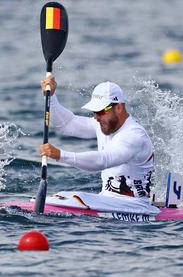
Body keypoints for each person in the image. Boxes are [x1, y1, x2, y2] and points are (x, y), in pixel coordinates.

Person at [38, 76, 159, 215]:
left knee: (75, 198)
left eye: (100, 111)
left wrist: (60, 155)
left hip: (135, 206)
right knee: (63, 196)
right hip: (107, 201)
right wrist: (50, 97)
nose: (96, 117)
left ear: (119, 107)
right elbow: (67, 124)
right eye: (94, 112)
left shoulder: (134, 136)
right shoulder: (104, 123)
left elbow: (103, 160)